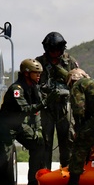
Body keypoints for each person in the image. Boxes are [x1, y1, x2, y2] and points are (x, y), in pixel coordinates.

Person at [37, 31, 79, 171]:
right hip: (45, 106)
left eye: (57, 51)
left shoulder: (70, 62)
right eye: (52, 51)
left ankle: (67, 172)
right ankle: (43, 173)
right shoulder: (38, 63)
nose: (54, 54)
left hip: (65, 105)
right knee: (44, 141)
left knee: (67, 139)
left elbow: (79, 83)